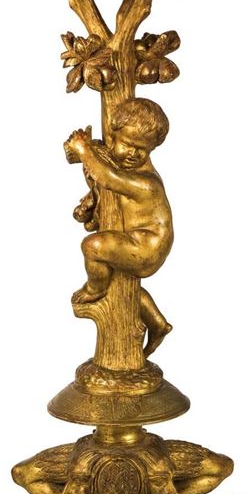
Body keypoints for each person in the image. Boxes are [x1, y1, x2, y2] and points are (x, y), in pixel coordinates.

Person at [65, 97, 173, 355]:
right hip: (141, 242)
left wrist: (84, 150)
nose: (133, 153)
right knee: (123, 280)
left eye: (142, 149)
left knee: (93, 247)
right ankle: (158, 324)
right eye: (128, 144)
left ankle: (96, 288)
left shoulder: (146, 183)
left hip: (147, 245)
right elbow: (105, 181)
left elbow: (109, 178)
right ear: (112, 137)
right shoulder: (125, 168)